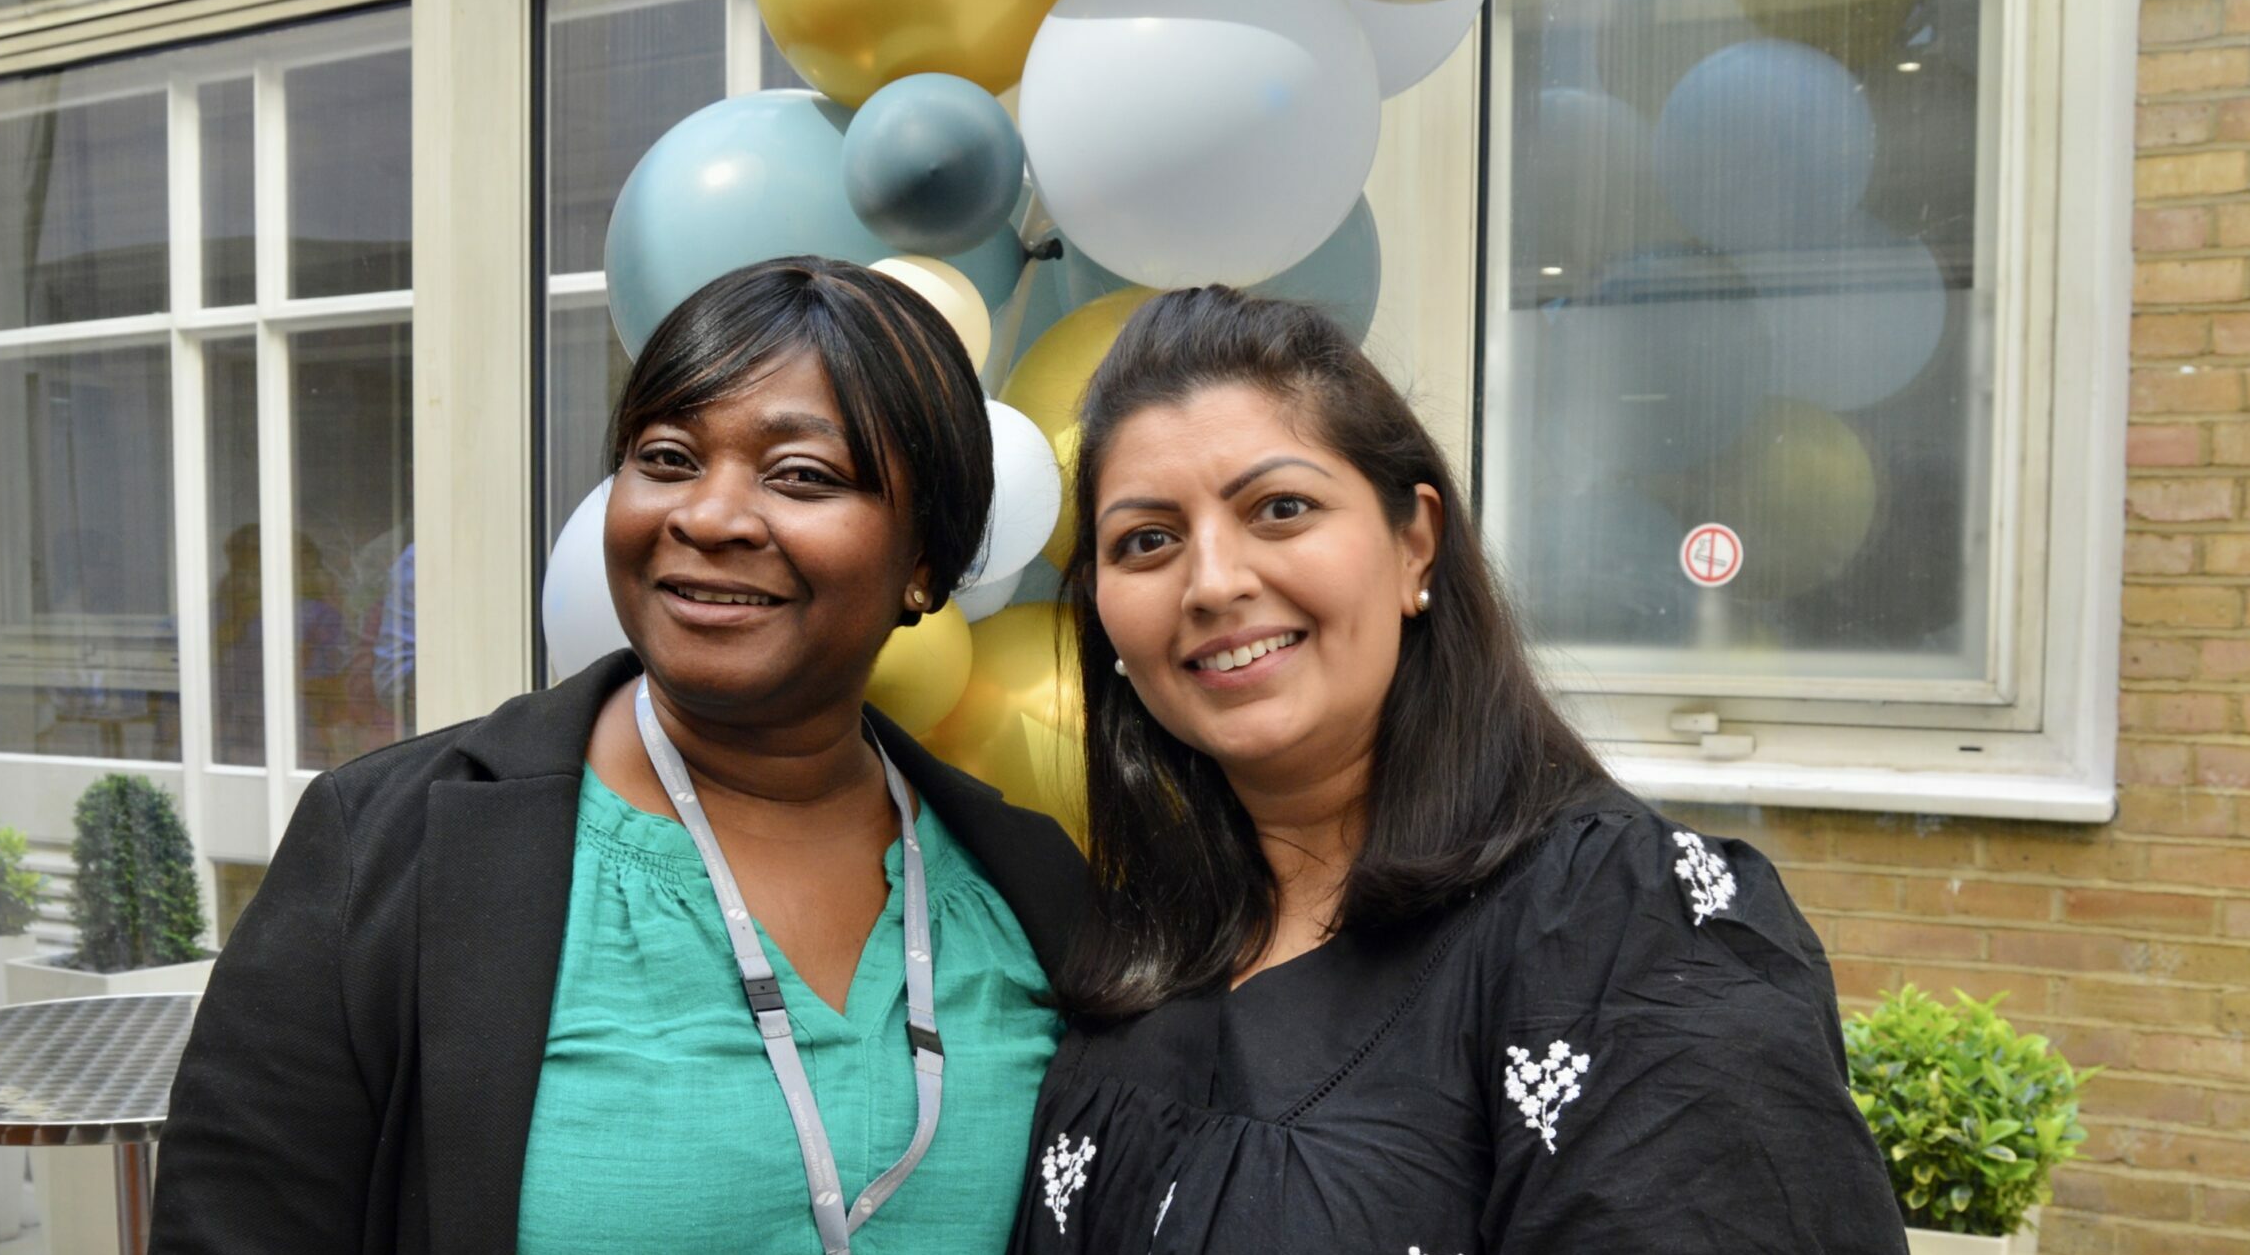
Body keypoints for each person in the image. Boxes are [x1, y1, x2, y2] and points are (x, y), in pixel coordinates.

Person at [153, 256, 1085, 1254]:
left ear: (925, 563)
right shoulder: (389, 850)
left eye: (800, 475)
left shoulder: (1030, 892)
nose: (706, 515)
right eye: (668, 457)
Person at [1009, 287, 1907, 1254]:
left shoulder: (1627, 929)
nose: (1214, 581)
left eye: (1280, 508)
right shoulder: (1138, 937)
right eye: (1147, 540)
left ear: (1414, 545)